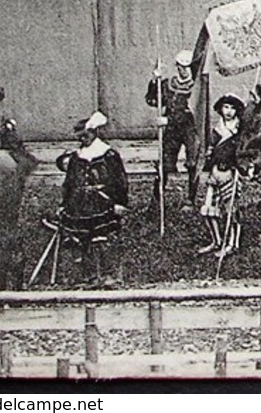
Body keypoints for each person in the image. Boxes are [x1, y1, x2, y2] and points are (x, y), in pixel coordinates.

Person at [53, 112, 129, 283]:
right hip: (80, 203)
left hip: (103, 202)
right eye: (80, 137)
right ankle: (89, 276)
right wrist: (64, 204)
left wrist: (120, 202)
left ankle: (109, 275)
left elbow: (120, 181)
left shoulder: (108, 155)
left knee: (103, 238)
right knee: (83, 239)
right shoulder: (77, 157)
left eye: (85, 136)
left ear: (94, 133)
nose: (82, 140)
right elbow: (69, 182)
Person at [146, 49, 200, 199]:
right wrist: (155, 80)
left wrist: (168, 120)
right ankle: (157, 199)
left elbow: (191, 111)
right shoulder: (169, 84)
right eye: (180, 66)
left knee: (192, 162)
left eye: (186, 67)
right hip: (171, 130)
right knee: (164, 162)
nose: (183, 70)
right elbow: (153, 100)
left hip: (189, 129)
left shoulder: (196, 87)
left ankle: (191, 199)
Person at [198, 95, 245, 257]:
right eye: (226, 107)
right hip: (215, 172)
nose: (229, 112)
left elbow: (244, 152)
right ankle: (216, 241)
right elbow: (210, 149)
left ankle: (233, 244)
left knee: (231, 211)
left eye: (232, 108)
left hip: (230, 173)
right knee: (208, 210)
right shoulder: (217, 128)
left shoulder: (240, 128)